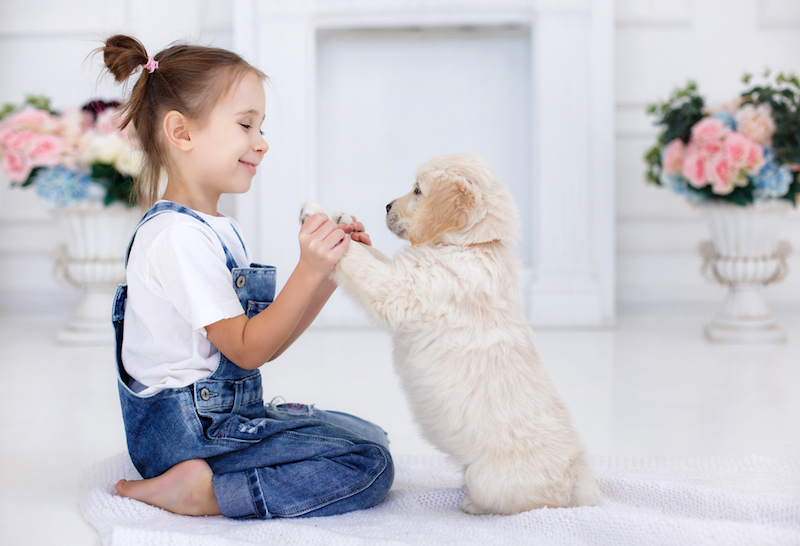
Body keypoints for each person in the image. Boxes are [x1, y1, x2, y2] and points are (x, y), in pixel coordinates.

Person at [99, 35, 393, 519]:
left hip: (219, 417)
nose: (262, 142)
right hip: (188, 435)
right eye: (245, 125)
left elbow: (266, 341)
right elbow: (247, 349)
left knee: (368, 434)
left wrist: (330, 272)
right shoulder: (176, 237)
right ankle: (202, 492)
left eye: (261, 126)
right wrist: (308, 267)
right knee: (369, 463)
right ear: (182, 133)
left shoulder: (215, 229)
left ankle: (217, 471)